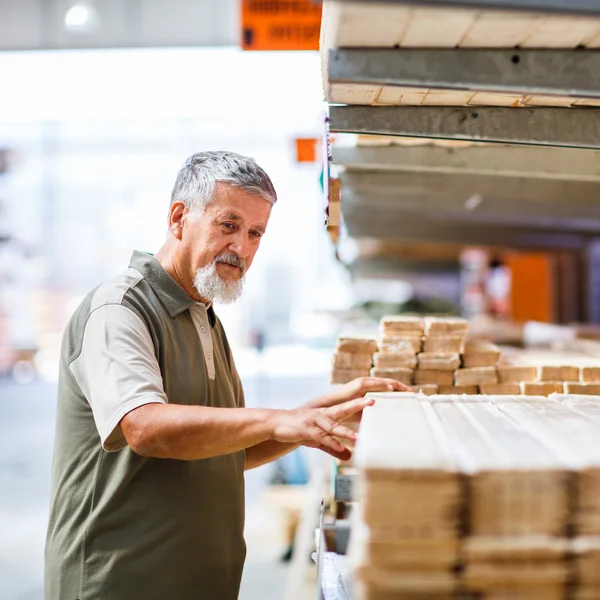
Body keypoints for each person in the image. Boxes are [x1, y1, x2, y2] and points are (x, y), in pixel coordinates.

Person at [44, 151, 408, 600]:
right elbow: (145, 428)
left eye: (256, 233)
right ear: (179, 218)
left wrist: (323, 413)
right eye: (228, 225)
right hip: (122, 583)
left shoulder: (205, 316)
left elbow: (226, 448)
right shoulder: (121, 309)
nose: (243, 247)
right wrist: (278, 420)